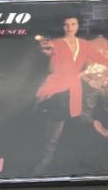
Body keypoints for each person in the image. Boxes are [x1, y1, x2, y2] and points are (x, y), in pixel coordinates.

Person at [32, 16, 99, 174]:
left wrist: (85, 73)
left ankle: (76, 161)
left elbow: (100, 61)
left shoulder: (84, 44)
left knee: (76, 125)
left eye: (73, 24)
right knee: (54, 126)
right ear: (62, 26)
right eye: (66, 24)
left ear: (78, 26)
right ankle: (46, 160)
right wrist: (44, 48)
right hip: (57, 88)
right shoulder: (55, 42)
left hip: (75, 88)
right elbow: (46, 54)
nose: (69, 27)